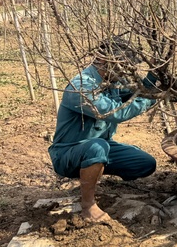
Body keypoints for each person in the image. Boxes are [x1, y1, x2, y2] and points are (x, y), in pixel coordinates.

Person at [48, 36, 160, 223]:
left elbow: (135, 93)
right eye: (122, 65)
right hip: (67, 152)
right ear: (105, 60)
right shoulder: (82, 87)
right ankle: (88, 206)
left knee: (145, 163)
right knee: (97, 148)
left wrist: (154, 76)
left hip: (101, 146)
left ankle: (94, 171)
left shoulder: (112, 80)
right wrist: (153, 99)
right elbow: (116, 112)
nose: (126, 71)